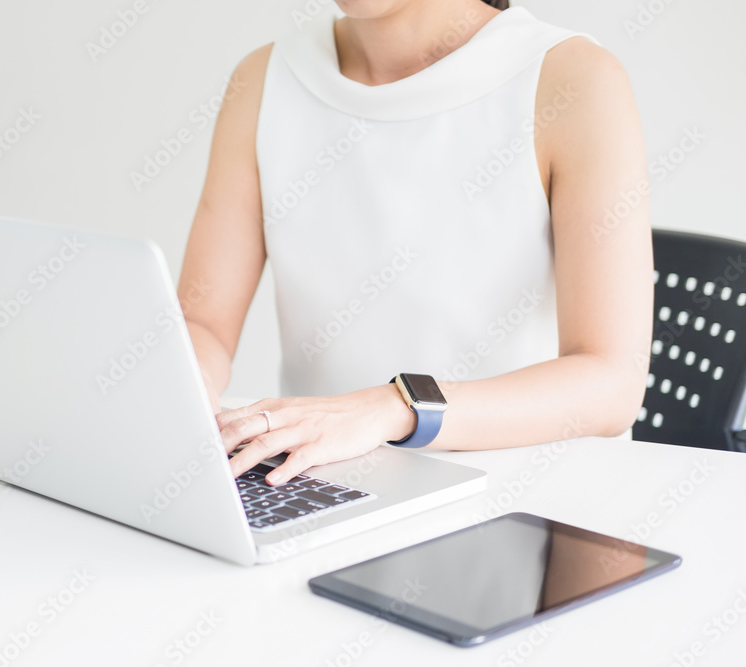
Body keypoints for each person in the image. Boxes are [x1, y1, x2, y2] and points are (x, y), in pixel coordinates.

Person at [176, 0, 653, 486]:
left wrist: (394, 408)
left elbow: (612, 383)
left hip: (527, 497)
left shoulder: (573, 79)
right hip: (319, 484)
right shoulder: (265, 78)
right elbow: (203, 323)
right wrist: (175, 399)